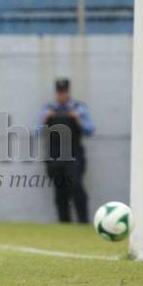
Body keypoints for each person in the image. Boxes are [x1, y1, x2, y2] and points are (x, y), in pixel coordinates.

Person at [39, 78, 95, 223]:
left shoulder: (79, 108)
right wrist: (45, 119)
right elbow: (37, 131)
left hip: (74, 153)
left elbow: (90, 130)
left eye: (64, 92)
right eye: (59, 92)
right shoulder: (48, 109)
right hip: (55, 155)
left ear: (68, 92)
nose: (62, 95)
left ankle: (83, 221)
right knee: (60, 190)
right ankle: (64, 222)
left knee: (75, 185)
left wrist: (78, 119)